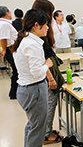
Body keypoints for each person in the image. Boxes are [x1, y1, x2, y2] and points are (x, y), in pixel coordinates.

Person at [11, 9, 53, 147]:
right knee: (37, 129)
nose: (47, 27)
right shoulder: (32, 44)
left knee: (33, 126)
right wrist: (47, 65)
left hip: (27, 88)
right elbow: (37, 73)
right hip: (34, 90)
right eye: (46, 24)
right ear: (36, 25)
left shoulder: (25, 39)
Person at [32, 0, 65, 145]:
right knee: (50, 103)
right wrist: (51, 78)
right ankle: (46, 134)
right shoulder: (39, 31)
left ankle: (48, 130)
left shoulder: (43, 28)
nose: (52, 16)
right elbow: (41, 59)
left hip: (50, 68)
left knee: (51, 102)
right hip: (47, 72)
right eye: (51, 12)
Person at [0, 6, 18, 99]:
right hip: (10, 49)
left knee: (16, 71)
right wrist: (5, 50)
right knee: (16, 71)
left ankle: (15, 92)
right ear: (7, 13)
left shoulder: (5, 23)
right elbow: (3, 38)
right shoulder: (4, 24)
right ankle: (13, 93)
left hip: (10, 49)